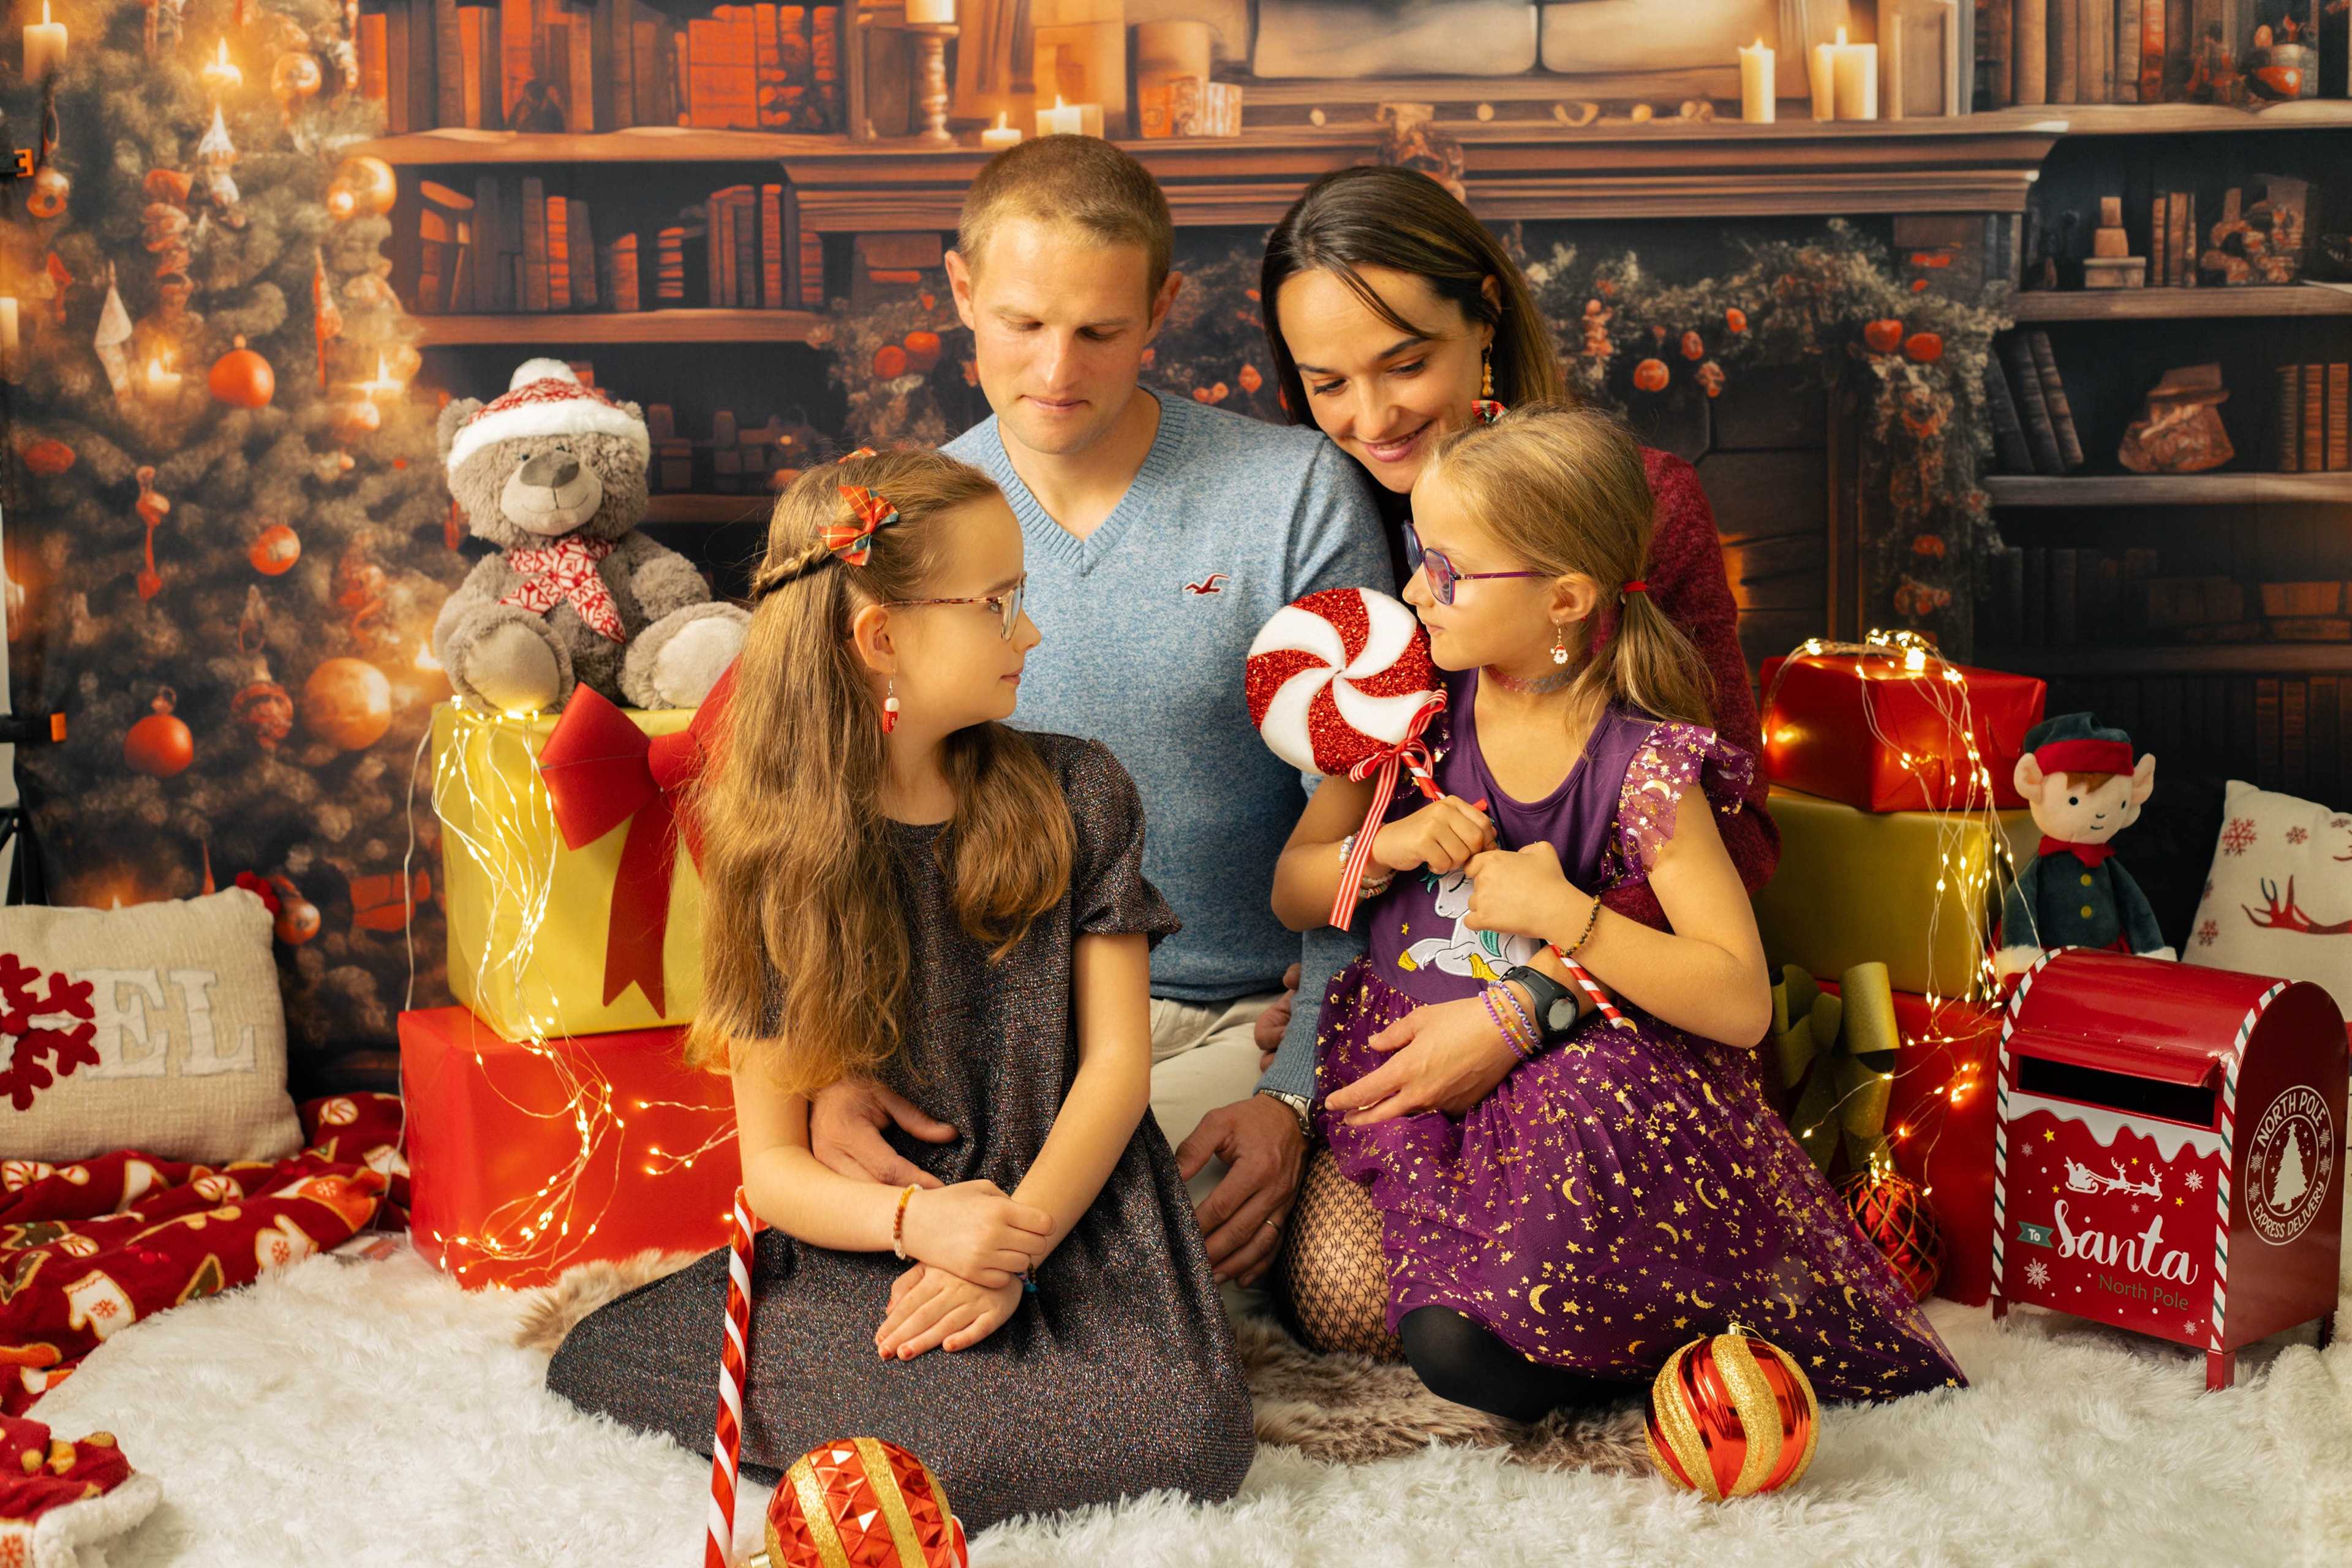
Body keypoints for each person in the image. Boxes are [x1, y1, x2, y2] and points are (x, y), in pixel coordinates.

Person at [545, 451, 1255, 1528]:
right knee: (613, 1364)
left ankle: (976, 1382)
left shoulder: (1080, 791)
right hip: (883, 1228)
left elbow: (1117, 1067)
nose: (1030, 633)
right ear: (881, 639)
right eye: (999, 605)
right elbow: (776, 1171)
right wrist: (921, 1225)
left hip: (1073, 1204)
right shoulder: (776, 853)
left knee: (1189, 1436)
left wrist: (1012, 1243)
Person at [1271, 402, 1964, 1419]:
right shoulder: (1404, 709)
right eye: (1419, 557)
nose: (1415, 591)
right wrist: (1388, 847)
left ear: (1565, 597)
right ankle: (1566, 1332)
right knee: (1351, 1302)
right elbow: (1293, 885)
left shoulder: (1643, 763)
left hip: (1581, 1076)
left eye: (1448, 572)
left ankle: (1663, 1353)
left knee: (1483, 1314)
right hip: (1416, 1063)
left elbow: (1741, 1002)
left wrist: (1567, 913)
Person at [805, 137, 1390, 1292]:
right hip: (989, 1044)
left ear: (1161, 308)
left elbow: (1367, 824)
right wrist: (834, 1064)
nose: (1056, 368)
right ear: (960, 290)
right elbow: (845, 826)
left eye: (1101, 331)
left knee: (1155, 1265)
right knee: (966, 1253)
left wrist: (1294, 1090)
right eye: (1021, 323)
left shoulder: (1292, 495)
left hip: (1234, 1025)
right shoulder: (902, 524)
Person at [1251, 164, 1781, 1087]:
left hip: (1607, 1035)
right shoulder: (1317, 522)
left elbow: (1736, 832)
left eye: (1406, 365)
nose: (1372, 418)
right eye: (1327, 382)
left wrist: (1530, 1003)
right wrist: (1339, 993)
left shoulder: (1634, 509)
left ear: (1486, 317)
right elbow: (1321, 847)